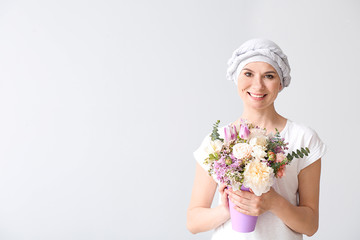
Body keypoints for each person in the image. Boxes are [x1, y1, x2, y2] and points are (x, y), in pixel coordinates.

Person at [186, 38, 327, 240]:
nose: (258, 85)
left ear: (280, 83)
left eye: (268, 76)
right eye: (248, 74)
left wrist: (273, 202)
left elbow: (311, 225)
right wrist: (228, 209)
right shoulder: (217, 141)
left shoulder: (303, 139)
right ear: (237, 77)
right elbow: (193, 221)